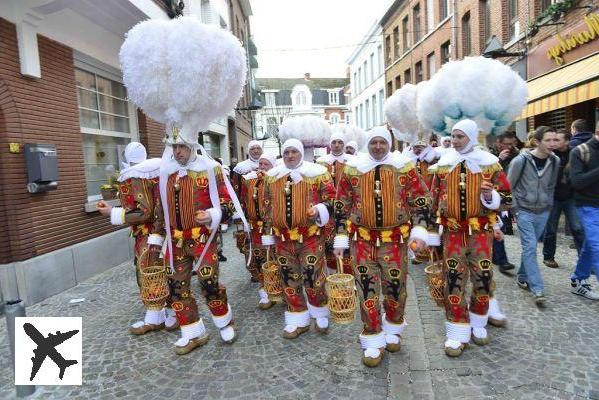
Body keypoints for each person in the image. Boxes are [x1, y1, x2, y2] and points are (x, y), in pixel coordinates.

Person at [333, 127, 432, 367]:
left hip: (395, 242)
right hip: (362, 241)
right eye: (374, 142)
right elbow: (341, 204)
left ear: (389, 144)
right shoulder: (353, 169)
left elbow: (421, 201)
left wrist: (419, 231)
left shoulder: (404, 168)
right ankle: (372, 337)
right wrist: (340, 236)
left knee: (395, 287)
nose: (378, 147)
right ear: (368, 143)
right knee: (366, 288)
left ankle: (393, 328)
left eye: (382, 142)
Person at [153, 128, 240, 354]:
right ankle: (192, 332)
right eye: (174, 147)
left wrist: (212, 215)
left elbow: (228, 203)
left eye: (181, 146)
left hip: (203, 239)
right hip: (175, 242)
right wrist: (157, 237)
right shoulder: (166, 173)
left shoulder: (210, 170)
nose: (178, 152)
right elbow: (160, 210)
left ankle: (224, 321)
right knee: (176, 287)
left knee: (208, 282)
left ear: (192, 146)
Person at [430, 119, 510, 357]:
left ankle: (478, 320)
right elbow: (434, 199)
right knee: (453, 277)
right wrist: (433, 233)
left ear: (472, 137)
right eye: (453, 136)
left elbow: (506, 197)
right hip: (453, 233)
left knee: (483, 275)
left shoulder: (490, 164)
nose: (454, 141)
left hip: (480, 232)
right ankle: (457, 328)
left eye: (460, 137)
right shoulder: (443, 165)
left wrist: (490, 196)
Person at [97, 142, 178, 335]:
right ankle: (167, 314)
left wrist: (112, 212)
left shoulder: (135, 175)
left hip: (149, 234)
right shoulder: (159, 170)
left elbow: (145, 211)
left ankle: (166, 315)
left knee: (150, 273)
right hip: (164, 231)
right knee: (165, 272)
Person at [261, 139, 335, 339]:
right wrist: (268, 232)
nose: (290, 156)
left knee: (313, 275)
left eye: (294, 152)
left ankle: (319, 310)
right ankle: (297, 317)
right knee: (288, 276)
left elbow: (332, 200)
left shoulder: (318, 174)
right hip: (283, 239)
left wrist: (319, 209)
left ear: (301, 153)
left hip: (310, 236)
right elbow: (266, 207)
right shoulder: (272, 177)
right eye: (286, 152)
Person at [508, 126, 560, 306]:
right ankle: (537, 289)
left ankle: (522, 276)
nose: (553, 143)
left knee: (529, 248)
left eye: (555, 140)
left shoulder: (555, 161)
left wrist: (549, 205)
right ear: (537, 142)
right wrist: (515, 209)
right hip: (524, 210)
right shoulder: (520, 160)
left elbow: (551, 186)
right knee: (531, 247)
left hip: (543, 211)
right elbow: (509, 186)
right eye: (548, 140)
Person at [239, 153, 278, 308]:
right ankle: (265, 290)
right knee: (258, 260)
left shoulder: (277, 180)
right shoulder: (250, 181)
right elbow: (243, 200)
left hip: (273, 228)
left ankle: (277, 289)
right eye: (260, 164)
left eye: (265, 164)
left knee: (274, 259)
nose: (261, 167)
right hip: (255, 228)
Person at [542, 129, 584, 269]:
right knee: (551, 229)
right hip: (552, 198)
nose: (553, 142)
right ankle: (548, 257)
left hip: (570, 197)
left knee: (577, 228)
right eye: (551, 140)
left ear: (566, 141)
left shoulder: (575, 154)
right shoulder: (549, 155)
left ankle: (584, 260)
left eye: (557, 140)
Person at [568, 120, 599, 300]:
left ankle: (578, 280)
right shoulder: (580, 151)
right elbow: (577, 182)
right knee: (596, 246)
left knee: (590, 245)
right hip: (588, 206)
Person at [317, 131, 354, 275]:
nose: (337, 145)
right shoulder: (321, 161)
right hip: (327, 209)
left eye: (340, 142)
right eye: (334, 142)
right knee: (328, 243)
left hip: (347, 208)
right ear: (330, 144)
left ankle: (348, 275)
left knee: (347, 241)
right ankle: (333, 275)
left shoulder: (352, 161)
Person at [489, 131, 519, 273]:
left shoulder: (517, 155)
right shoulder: (489, 155)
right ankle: (502, 260)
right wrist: (498, 160)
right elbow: (486, 173)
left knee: (499, 227)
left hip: (511, 194)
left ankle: (497, 256)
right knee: (497, 226)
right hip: (494, 196)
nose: (510, 146)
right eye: (506, 144)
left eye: (512, 143)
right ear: (499, 143)